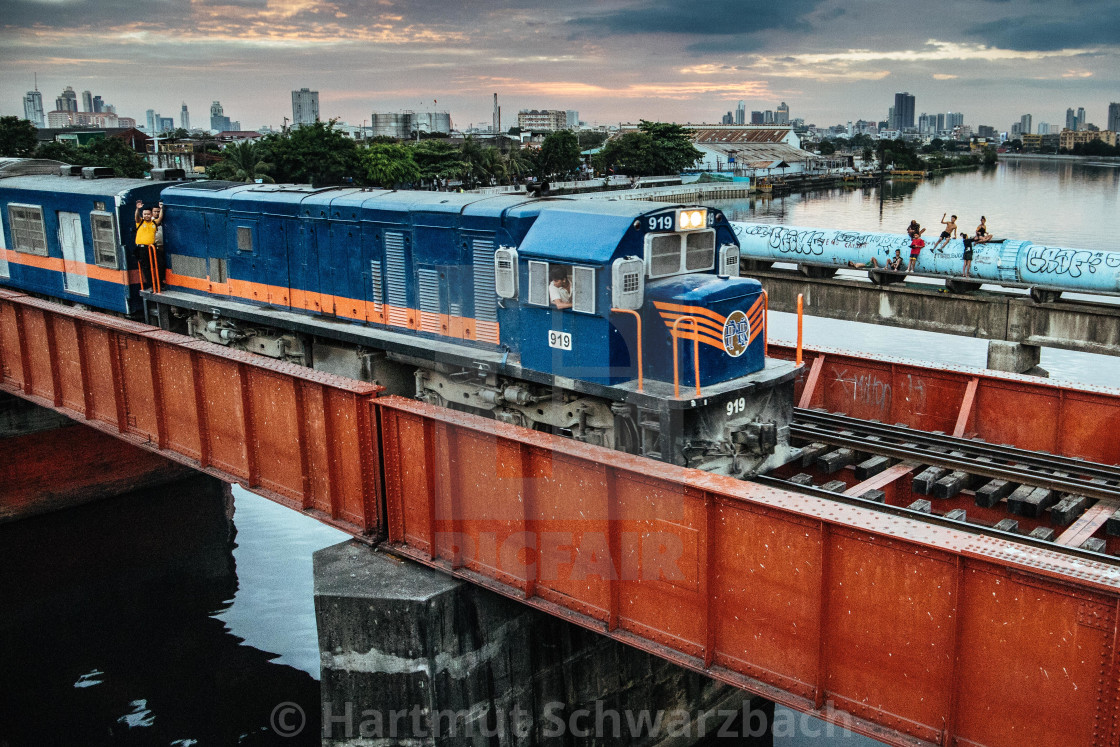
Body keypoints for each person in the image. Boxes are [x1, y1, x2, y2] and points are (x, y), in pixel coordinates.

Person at [134, 199, 165, 289]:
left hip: (152, 248)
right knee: (146, 267)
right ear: (143, 215)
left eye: (148, 214)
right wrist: (137, 209)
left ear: (151, 214)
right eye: (145, 214)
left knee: (160, 263)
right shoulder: (140, 222)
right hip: (142, 249)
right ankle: (152, 285)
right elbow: (136, 217)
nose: (146, 216)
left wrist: (161, 208)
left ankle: (159, 282)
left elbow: (160, 217)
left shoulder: (154, 223)